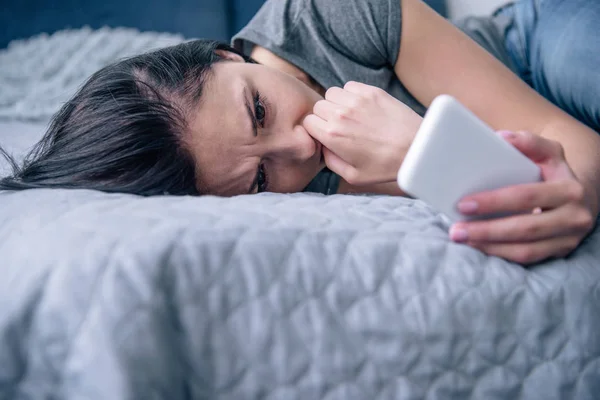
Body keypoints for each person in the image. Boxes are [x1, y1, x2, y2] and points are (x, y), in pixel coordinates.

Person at [1, 0, 599, 265]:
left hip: (530, 48)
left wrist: (416, 149)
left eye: (258, 111)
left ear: (227, 56)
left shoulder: (331, 13)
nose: (300, 148)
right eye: (262, 177)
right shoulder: (270, 198)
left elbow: (556, 136)